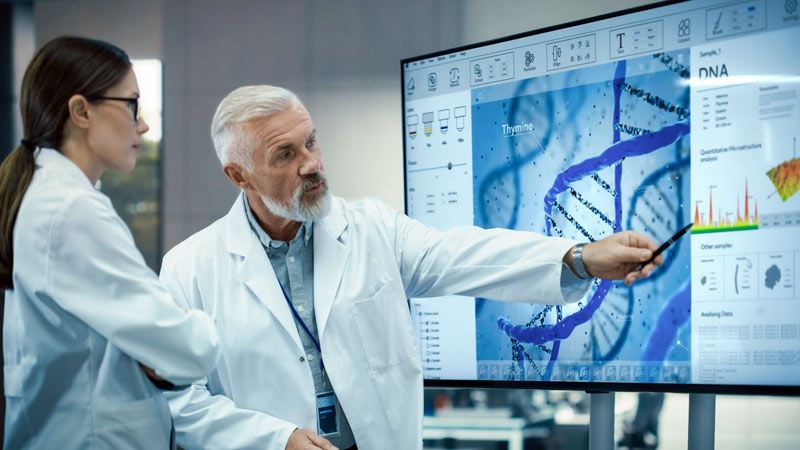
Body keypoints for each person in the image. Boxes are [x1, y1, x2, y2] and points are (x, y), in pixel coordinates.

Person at [159, 85, 663, 450]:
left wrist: (579, 257)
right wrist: (277, 441)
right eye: (286, 154)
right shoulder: (189, 268)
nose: (311, 163)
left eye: (311, 142)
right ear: (238, 174)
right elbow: (182, 402)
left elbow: (464, 255)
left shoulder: (371, 228)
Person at [0, 36, 220, 449]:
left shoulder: (52, 195)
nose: (143, 124)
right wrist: (200, 331)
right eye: (131, 104)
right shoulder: (71, 210)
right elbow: (187, 349)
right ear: (81, 111)